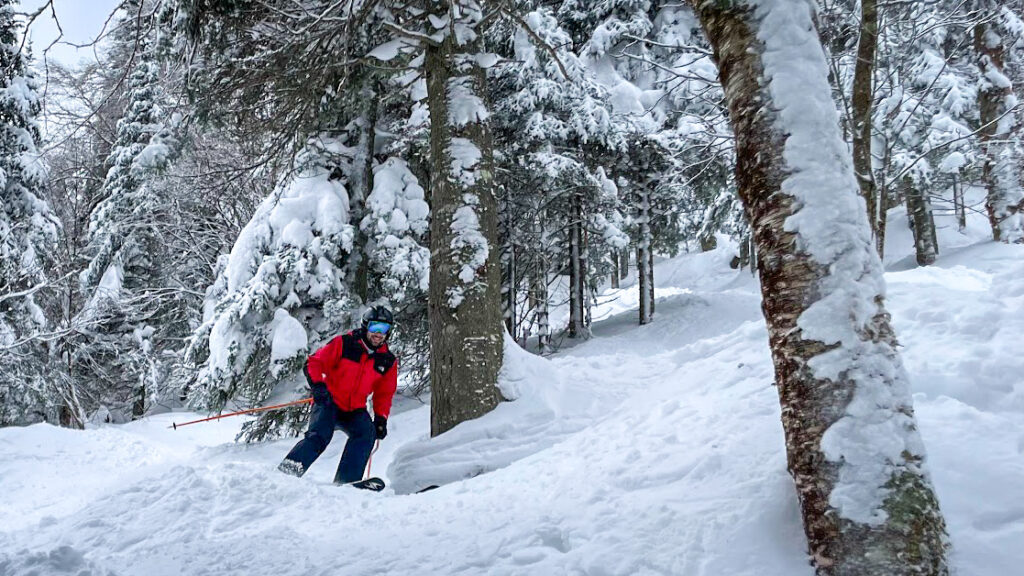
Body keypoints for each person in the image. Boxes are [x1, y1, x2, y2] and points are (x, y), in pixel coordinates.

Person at [278, 306, 398, 484]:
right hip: (329, 402)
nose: (378, 334)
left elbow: (384, 392)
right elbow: (314, 363)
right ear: (366, 326)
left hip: (355, 409)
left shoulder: (387, 360)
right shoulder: (345, 344)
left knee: (366, 434)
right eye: (375, 327)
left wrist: (381, 418)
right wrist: (318, 387)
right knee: (319, 435)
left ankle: (346, 481)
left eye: (384, 329)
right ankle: (288, 471)